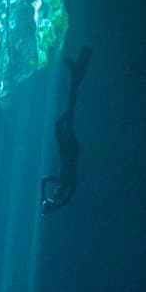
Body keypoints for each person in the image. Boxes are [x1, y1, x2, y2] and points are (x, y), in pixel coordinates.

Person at [41, 45, 92, 214]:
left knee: (63, 117)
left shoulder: (59, 181)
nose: (54, 192)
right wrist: (57, 205)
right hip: (69, 148)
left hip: (65, 148)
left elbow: (43, 181)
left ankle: (75, 73)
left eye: (54, 193)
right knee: (70, 106)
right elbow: (70, 195)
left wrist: (43, 198)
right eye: (56, 194)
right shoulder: (69, 184)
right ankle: (77, 70)